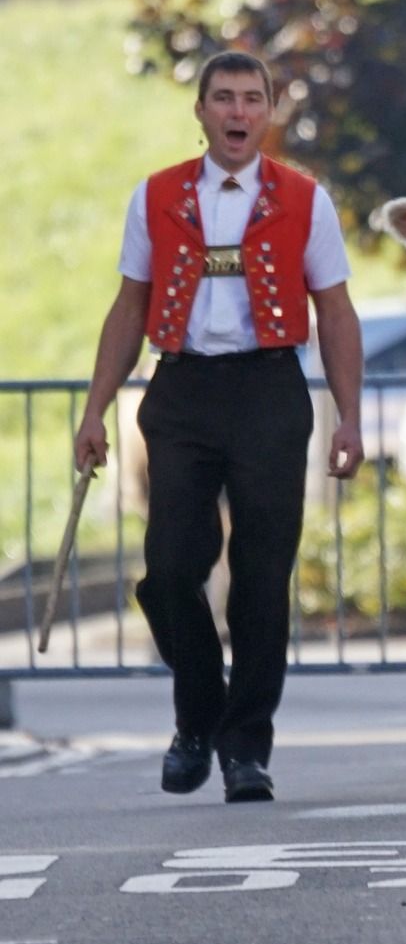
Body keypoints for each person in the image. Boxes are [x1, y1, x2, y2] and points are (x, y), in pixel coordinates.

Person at [74, 51, 364, 803]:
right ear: (201, 112)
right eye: (224, 99)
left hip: (269, 391)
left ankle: (243, 749)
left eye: (252, 100)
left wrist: (350, 417)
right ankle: (198, 713)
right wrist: (94, 409)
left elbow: (334, 311)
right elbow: (130, 306)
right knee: (170, 568)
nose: (238, 113)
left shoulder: (306, 199)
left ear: (269, 113)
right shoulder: (158, 196)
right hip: (183, 389)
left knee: (262, 580)